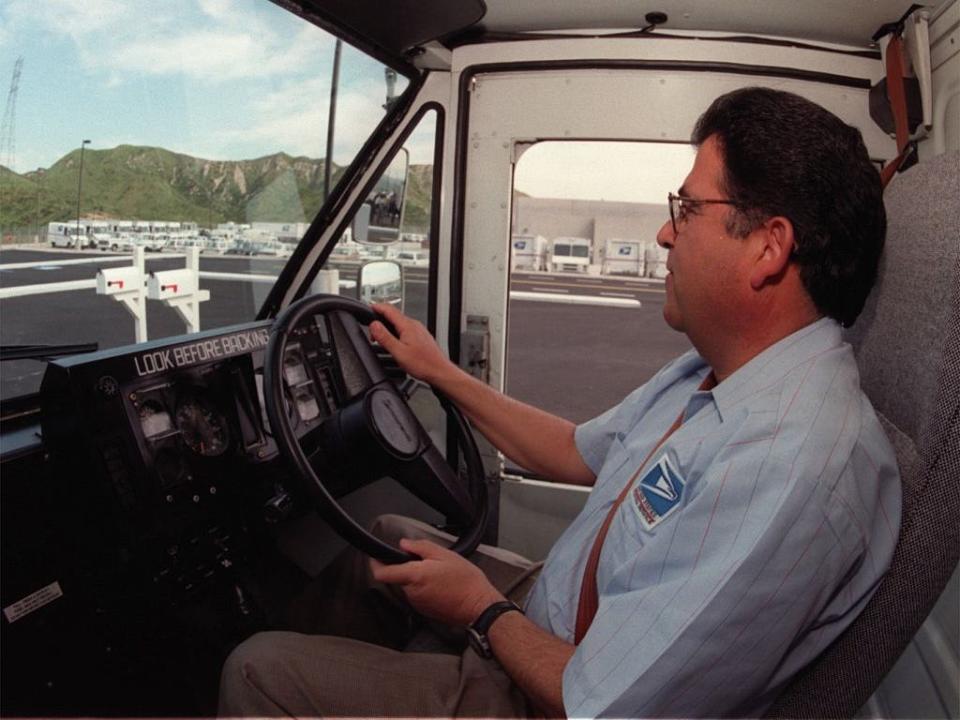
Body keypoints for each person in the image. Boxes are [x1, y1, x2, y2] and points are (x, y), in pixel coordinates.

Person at [218, 87, 901, 718]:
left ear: (769, 248)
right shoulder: (722, 373)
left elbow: (603, 705)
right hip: (552, 615)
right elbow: (576, 450)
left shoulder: (795, 466)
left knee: (255, 672)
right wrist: (439, 371)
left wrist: (481, 610)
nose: (665, 233)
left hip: (550, 697)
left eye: (688, 209)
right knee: (393, 538)